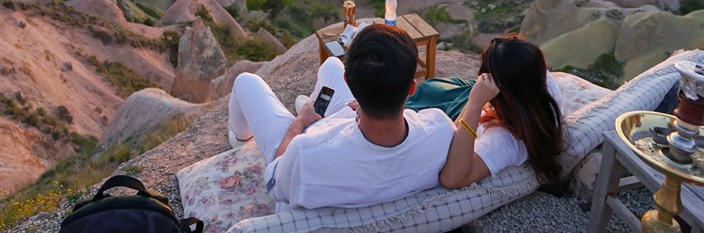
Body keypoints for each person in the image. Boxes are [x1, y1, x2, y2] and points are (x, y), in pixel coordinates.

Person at [227, 23, 454, 210]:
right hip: (356, 124)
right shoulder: (441, 129)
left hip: (325, 138)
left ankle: (240, 137)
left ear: (349, 82)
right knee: (331, 65)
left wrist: (297, 126)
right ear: (412, 89)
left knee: (246, 82)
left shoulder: (305, 152)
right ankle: (311, 105)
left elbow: (274, 181)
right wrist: (358, 112)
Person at [408, 35, 565, 189]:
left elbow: (451, 179)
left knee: (418, 102)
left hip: (469, 114)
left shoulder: (504, 141)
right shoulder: (538, 83)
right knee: (431, 88)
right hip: (486, 104)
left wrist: (475, 104)